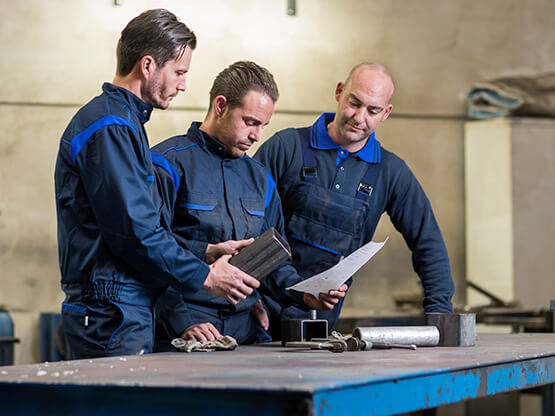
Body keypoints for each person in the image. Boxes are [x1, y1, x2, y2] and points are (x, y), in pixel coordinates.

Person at [54, 10, 259, 359]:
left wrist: (205, 252)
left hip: (122, 307)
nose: (182, 84)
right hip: (111, 311)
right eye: (179, 72)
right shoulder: (111, 127)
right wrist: (205, 276)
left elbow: (138, 226)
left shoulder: (122, 123)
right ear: (148, 65)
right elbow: (134, 232)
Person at [151, 61, 347, 344]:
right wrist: (181, 322)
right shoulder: (168, 163)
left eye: (263, 126)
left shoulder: (260, 178)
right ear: (220, 106)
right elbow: (148, 251)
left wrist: (304, 293)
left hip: (246, 330)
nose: (256, 136)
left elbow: (273, 261)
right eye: (250, 122)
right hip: (186, 329)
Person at [255, 62, 455, 335]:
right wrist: (246, 298)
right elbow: (245, 226)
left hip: (318, 327)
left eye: (373, 111)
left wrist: (440, 317)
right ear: (339, 92)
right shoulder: (286, 147)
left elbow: (428, 243)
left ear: (386, 113)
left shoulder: (390, 172)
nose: (359, 117)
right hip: (256, 315)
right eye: (354, 103)